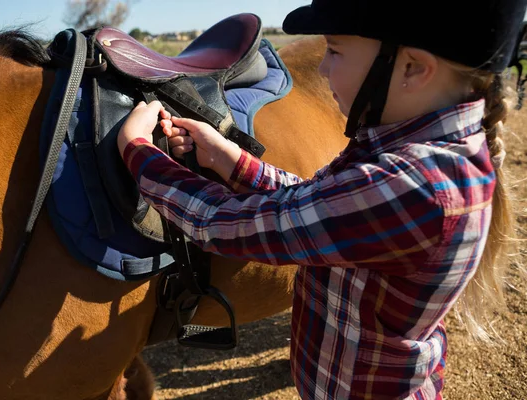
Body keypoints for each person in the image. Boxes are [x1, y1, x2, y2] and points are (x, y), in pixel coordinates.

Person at [117, 0, 526, 398]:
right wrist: (231, 160)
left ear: (413, 68)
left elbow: (224, 222)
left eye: (334, 51)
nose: (324, 67)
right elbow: (309, 203)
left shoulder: (416, 188)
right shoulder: (405, 150)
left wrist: (139, 152)